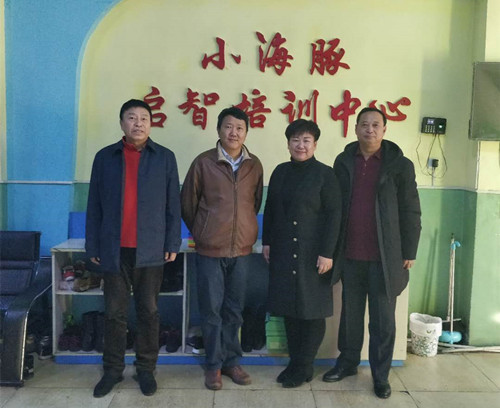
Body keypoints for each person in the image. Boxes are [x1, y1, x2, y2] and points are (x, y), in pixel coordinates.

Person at [322, 107, 421, 399]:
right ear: (355, 128)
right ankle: (347, 363)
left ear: (384, 130)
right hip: (351, 254)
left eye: (376, 125)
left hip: (386, 258)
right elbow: (334, 206)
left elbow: (411, 209)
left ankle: (380, 375)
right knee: (350, 316)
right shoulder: (343, 161)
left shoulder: (400, 165)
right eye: (364, 124)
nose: (370, 129)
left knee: (383, 321)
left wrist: (409, 250)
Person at [86, 99, 181, 398]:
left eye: (144, 118)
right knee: (114, 313)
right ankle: (112, 370)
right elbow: (94, 204)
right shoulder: (105, 157)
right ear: (122, 123)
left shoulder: (164, 158)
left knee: (149, 312)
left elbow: (173, 205)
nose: (138, 123)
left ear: (151, 124)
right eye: (131, 117)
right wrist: (92, 244)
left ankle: (146, 369)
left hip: (150, 249)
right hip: (113, 249)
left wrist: (172, 242)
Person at [181, 107, 263, 390]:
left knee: (234, 310)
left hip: (241, 251)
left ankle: (232, 362)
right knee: (211, 310)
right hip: (210, 250)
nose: (233, 133)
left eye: (239, 128)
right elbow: (188, 203)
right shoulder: (203, 162)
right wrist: (203, 231)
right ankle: (214, 365)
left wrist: (244, 230)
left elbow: (255, 203)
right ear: (218, 130)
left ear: (246, 133)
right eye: (228, 127)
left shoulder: (254, 165)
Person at [262, 119, 342, 388]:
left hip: (313, 254)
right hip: (284, 251)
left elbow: (334, 215)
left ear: (315, 144)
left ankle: (305, 365)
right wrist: (267, 242)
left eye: (306, 140)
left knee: (312, 311)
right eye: (295, 140)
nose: (300, 145)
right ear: (288, 144)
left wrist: (327, 252)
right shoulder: (280, 172)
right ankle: (295, 363)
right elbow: (271, 209)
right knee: (290, 310)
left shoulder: (325, 174)